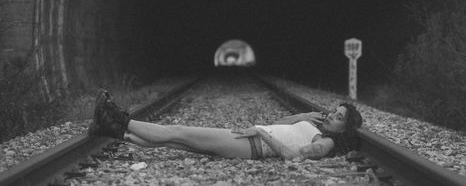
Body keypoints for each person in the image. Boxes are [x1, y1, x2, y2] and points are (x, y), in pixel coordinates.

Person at [89, 89, 363, 160]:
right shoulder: (316, 128)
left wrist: (260, 134)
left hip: (252, 144)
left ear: (345, 130)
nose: (331, 116)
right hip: (251, 141)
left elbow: (294, 156)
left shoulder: (328, 142)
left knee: (179, 132)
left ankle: (116, 114)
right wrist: (301, 118)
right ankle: (110, 130)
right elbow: (279, 125)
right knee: (175, 141)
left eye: (339, 118)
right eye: (334, 112)